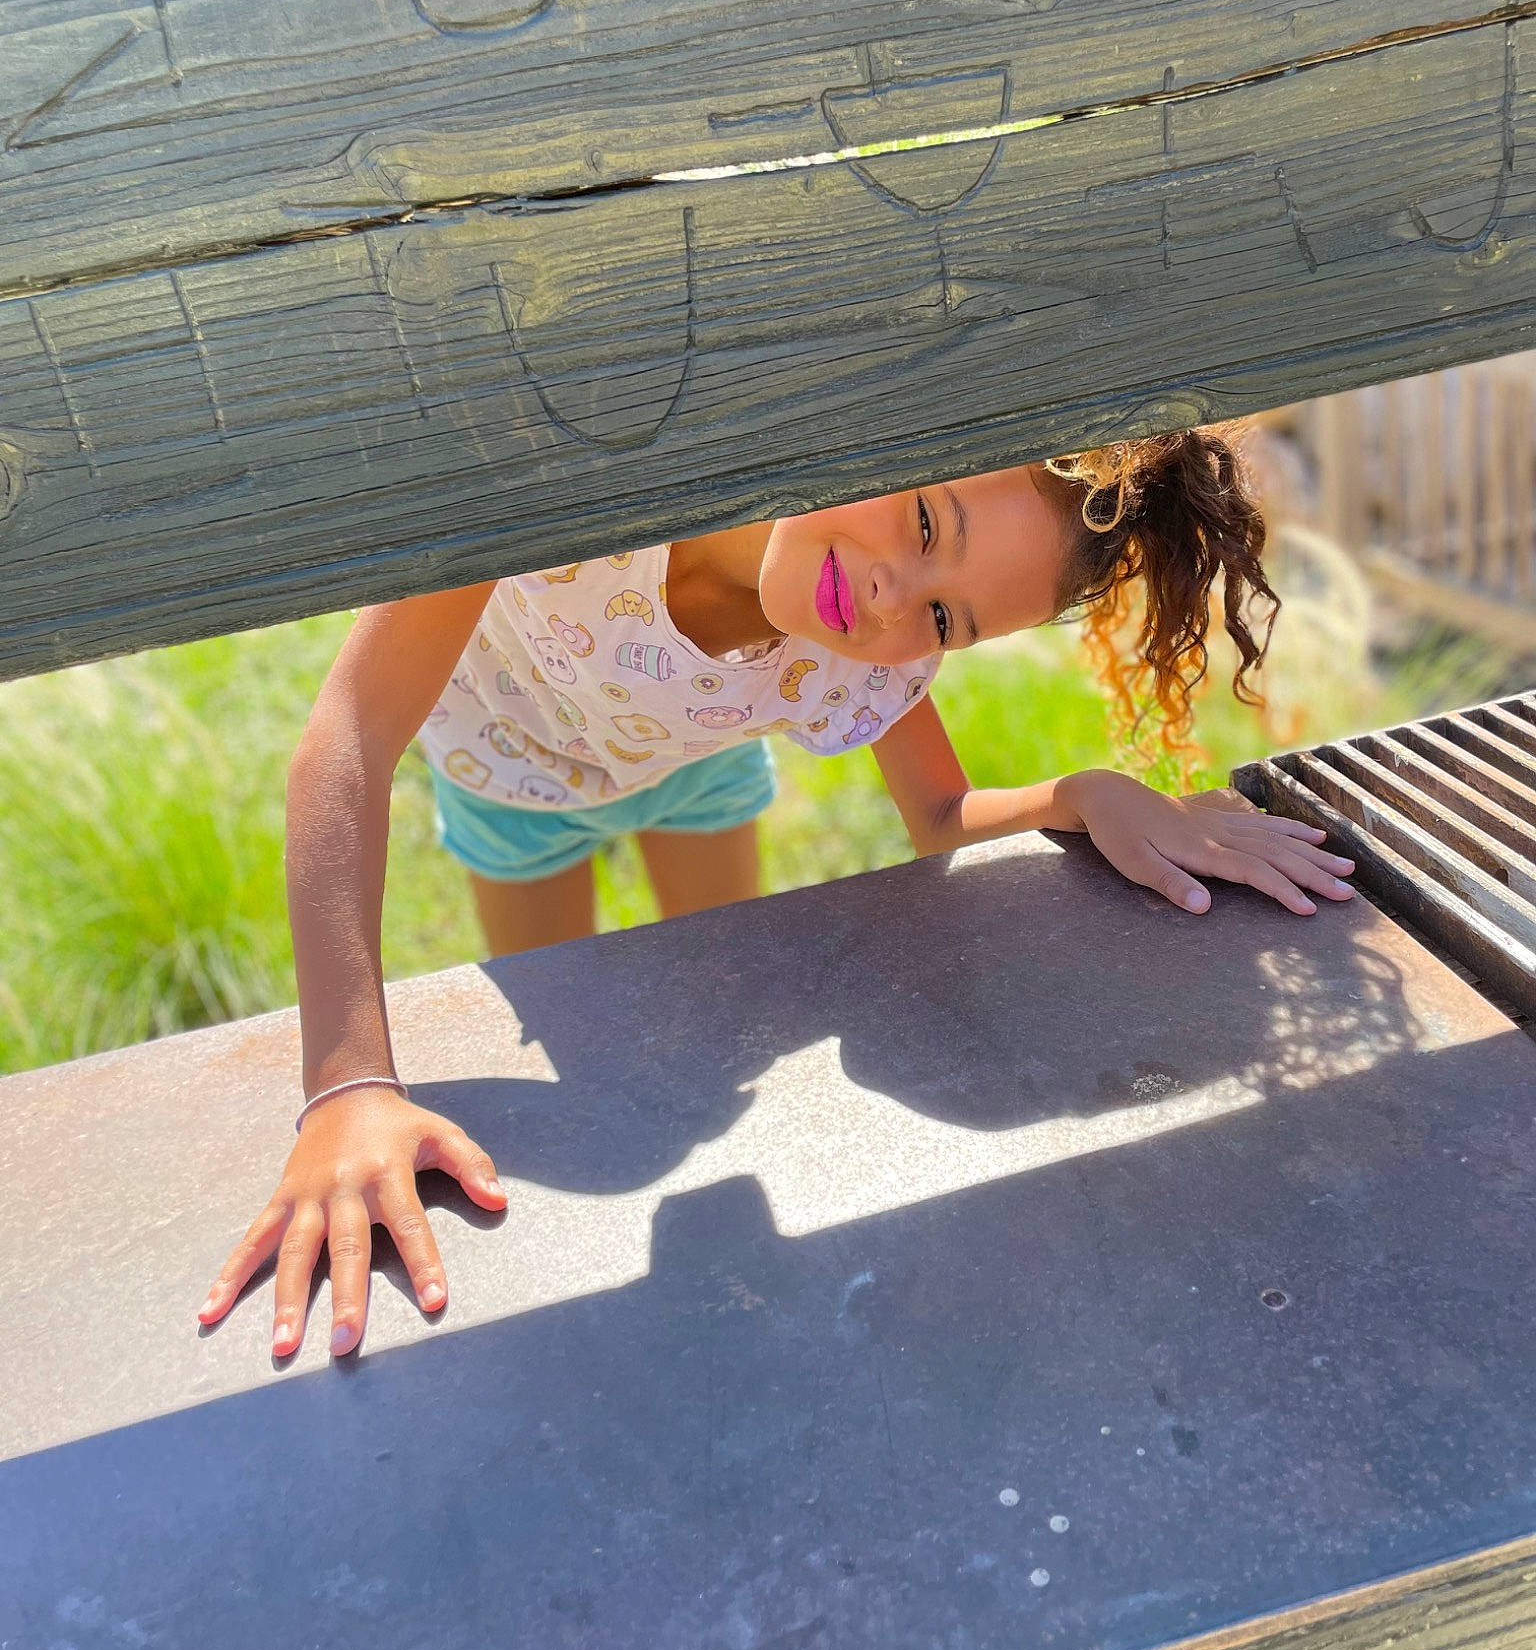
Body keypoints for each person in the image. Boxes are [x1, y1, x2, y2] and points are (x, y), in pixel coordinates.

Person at [197, 432, 1355, 1359]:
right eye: (922, 519)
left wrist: (1089, 791)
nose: (897, 595)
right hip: (518, 779)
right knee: (576, 1088)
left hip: (698, 773)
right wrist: (348, 1087)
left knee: (696, 1052)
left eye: (946, 617)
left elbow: (942, 815)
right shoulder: (583, 496)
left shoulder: (862, 643)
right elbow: (348, 738)